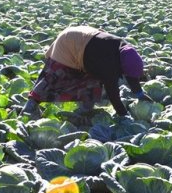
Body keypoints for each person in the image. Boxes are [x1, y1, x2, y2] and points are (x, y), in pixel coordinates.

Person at [22, 25, 152, 121]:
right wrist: (124, 115)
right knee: (54, 78)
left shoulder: (126, 51)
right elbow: (113, 93)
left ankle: (85, 110)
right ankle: (30, 106)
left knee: (93, 80)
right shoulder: (109, 63)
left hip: (84, 39)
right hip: (69, 43)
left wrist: (140, 94)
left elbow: (131, 74)